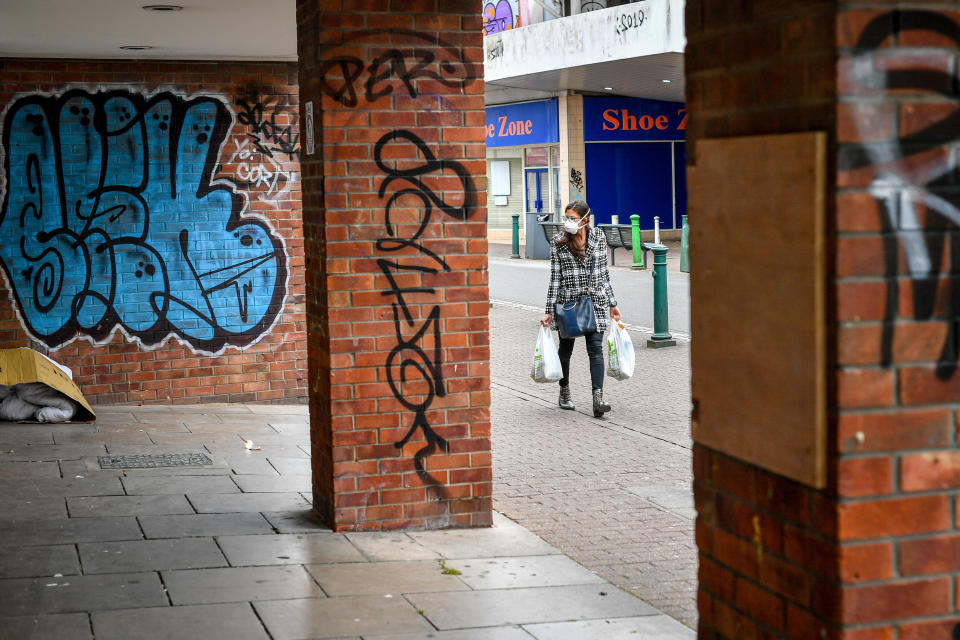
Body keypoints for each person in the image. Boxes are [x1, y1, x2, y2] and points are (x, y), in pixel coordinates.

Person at [541, 200, 621, 417]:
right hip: (569, 304)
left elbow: (604, 274)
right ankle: (564, 392)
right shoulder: (558, 241)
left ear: (586, 219)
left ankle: (598, 398)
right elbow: (555, 278)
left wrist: (613, 303)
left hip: (595, 301)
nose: (568, 222)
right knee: (565, 351)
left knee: (595, 350)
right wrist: (549, 310)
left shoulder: (598, 237)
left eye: (573, 218)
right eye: (566, 217)